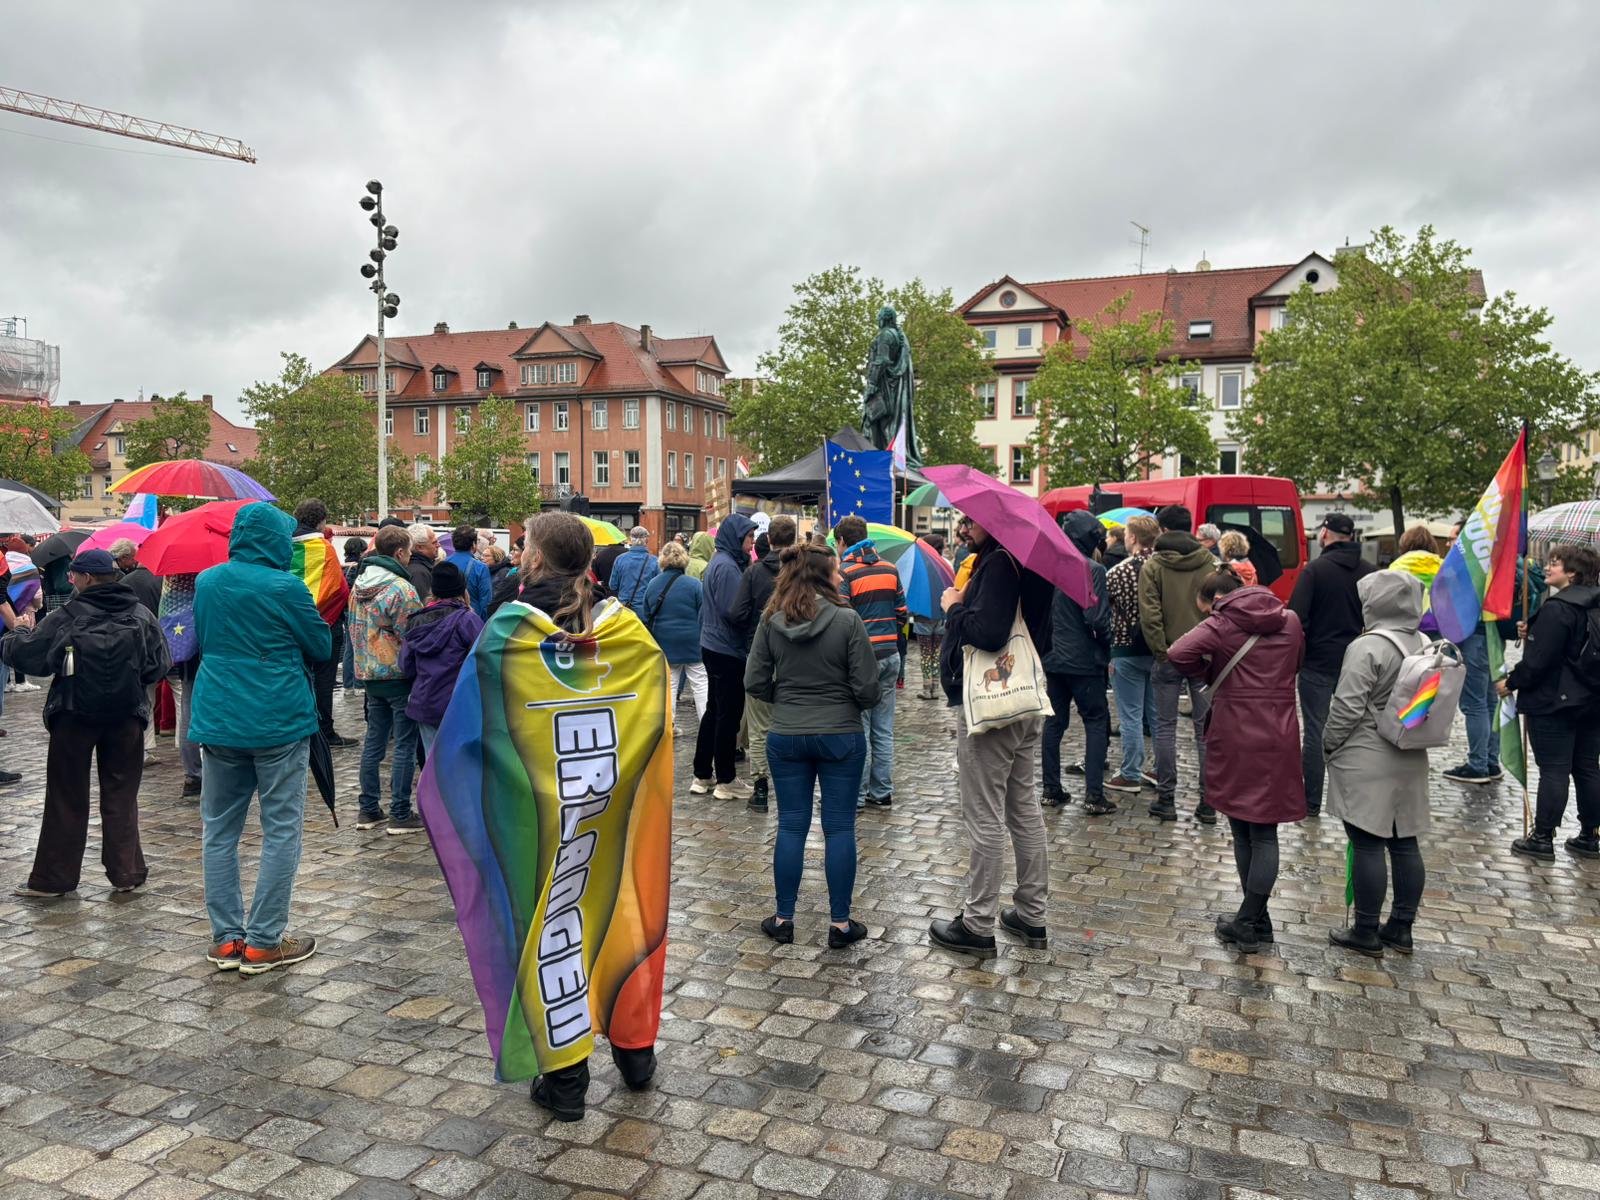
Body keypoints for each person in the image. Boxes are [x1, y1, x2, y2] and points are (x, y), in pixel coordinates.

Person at [186, 505, 330, 972]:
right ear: (274, 541)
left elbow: (206, 638)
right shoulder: (287, 586)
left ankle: (226, 939)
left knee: (219, 829)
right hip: (277, 716)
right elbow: (321, 646)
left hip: (220, 713)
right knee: (281, 828)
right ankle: (265, 940)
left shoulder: (207, 581)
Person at [3, 549, 169, 898]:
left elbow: (31, 656)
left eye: (74, 574)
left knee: (66, 795)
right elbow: (158, 665)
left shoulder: (67, 615)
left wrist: (13, 635)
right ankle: (127, 873)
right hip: (126, 716)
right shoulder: (140, 614)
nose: (70, 579)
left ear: (88, 578)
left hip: (73, 715)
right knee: (122, 794)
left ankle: (54, 879)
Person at [929, 518, 1055, 956]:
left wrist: (955, 606)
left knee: (984, 814)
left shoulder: (999, 564)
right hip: (1022, 703)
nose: (964, 527)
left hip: (992, 708)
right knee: (1023, 808)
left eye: (970, 521)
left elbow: (989, 632)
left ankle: (978, 922)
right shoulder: (1030, 566)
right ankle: (1031, 915)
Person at [745, 543, 880, 948]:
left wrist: (786, 698)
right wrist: (845, 701)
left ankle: (784, 919)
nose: (841, 577)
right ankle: (840, 924)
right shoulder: (847, 620)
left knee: (791, 825)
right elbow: (868, 688)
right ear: (823, 576)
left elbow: (753, 680)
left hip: (786, 733)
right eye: (836, 571)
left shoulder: (771, 620)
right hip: (841, 733)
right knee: (839, 827)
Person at [1169, 569, 1306, 953]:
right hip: (1278, 730)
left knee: (1244, 828)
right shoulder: (1290, 620)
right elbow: (1297, 663)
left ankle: (1248, 920)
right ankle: (1256, 917)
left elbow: (1179, 653)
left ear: (1219, 599)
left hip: (1235, 730)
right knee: (1264, 829)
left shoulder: (1222, 623)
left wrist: (1210, 672)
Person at [1325, 571, 1430, 957]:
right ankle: (1401, 927)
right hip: (1410, 748)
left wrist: (1328, 744)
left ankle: (1365, 929)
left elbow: (1347, 706)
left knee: (1367, 841)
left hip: (1367, 752)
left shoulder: (1367, 646)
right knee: (1405, 843)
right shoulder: (1425, 642)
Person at [1500, 545, 1600, 860]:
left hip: (1556, 701)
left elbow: (1539, 661)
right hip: (1592, 699)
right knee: (1586, 767)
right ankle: (1590, 836)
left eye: (1554, 563)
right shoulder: (1594, 603)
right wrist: (1533, 629)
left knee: (1554, 769)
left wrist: (1511, 683)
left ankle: (1542, 837)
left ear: (1572, 572)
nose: (1547, 567)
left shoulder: (1558, 608)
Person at [1290, 513, 1377, 815]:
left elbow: (1296, 619)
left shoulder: (1315, 571)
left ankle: (1311, 801)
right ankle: (1356, 801)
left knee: (1315, 731)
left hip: (1318, 662)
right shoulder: (1370, 572)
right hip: (1359, 662)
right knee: (1357, 730)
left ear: (1325, 533)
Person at [1138, 505, 1219, 824]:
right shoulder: (1210, 563)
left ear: (1163, 529)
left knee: (1165, 727)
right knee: (1204, 731)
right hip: (1204, 657)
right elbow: (1220, 610)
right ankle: (1208, 802)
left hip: (1169, 655)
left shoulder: (1154, 565)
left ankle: (1167, 798)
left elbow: (1151, 614)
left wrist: (1163, 652)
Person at [349, 525, 424, 833]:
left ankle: (368, 808)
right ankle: (400, 811)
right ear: (399, 553)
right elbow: (414, 633)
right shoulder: (400, 589)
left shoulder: (359, 584)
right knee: (404, 744)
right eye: (409, 552)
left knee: (374, 742)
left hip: (369, 672)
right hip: (397, 673)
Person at [1040, 511, 1113, 814]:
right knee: (1096, 723)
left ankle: (1051, 790)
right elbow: (1096, 618)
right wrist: (1107, 641)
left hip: (1053, 657)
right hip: (1084, 660)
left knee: (1054, 723)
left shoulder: (1048, 567)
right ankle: (1094, 796)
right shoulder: (1092, 569)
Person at [834, 515, 908, 810]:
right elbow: (902, 611)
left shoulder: (845, 573)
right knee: (884, 728)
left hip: (861, 661)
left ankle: (859, 793)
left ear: (842, 541)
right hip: (890, 656)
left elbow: (841, 619)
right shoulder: (890, 569)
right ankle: (882, 792)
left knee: (860, 728)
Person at [730, 515, 797, 813]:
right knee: (792, 723)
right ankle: (791, 784)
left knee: (758, 728)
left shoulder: (754, 572)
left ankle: (760, 789)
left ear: (769, 540)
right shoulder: (801, 572)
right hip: (797, 656)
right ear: (793, 540)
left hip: (758, 654)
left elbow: (737, 611)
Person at [692, 514, 756, 800]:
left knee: (715, 711)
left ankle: (702, 774)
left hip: (712, 643)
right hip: (726, 647)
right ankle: (726, 779)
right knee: (727, 715)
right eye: (749, 537)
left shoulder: (720, 562)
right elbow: (734, 611)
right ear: (736, 537)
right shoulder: (728, 567)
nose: (751, 542)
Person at [399, 561, 483, 754]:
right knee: (460, 766)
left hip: (425, 702)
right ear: (462, 589)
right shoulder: (468, 620)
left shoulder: (416, 620)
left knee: (432, 765)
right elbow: (484, 661)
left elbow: (406, 665)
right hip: (458, 705)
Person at [1105, 514, 1161, 794]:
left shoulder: (1119, 571)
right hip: (1159, 649)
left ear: (1134, 538)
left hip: (1126, 647)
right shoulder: (1164, 567)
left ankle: (1130, 772)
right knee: (1158, 715)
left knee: (1130, 716)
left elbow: (1106, 609)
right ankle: (1161, 768)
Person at [293, 500, 354, 748]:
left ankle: (300, 726)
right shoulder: (323, 548)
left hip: (292, 623)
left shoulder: (283, 545)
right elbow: (338, 589)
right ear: (321, 520)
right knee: (323, 681)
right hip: (323, 625)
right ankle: (324, 730)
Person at [111, 537, 164, 765]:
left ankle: (145, 745)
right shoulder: (163, 580)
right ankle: (184, 746)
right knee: (181, 693)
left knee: (144, 696)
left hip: (134, 645)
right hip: (162, 642)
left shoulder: (125, 581)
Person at [641, 539, 706, 724]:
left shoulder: (653, 584)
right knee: (701, 685)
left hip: (664, 642)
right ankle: (706, 726)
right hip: (693, 642)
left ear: (662, 560)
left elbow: (647, 614)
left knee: (669, 685)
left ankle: (669, 726)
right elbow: (703, 614)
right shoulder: (694, 585)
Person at [913, 533, 947, 700]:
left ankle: (927, 689)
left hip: (923, 617)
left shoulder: (921, 566)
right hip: (940, 616)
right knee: (935, 654)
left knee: (925, 654)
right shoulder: (945, 565)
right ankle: (936, 687)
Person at [443, 524, 493, 619]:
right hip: (471, 619)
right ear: (474, 544)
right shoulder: (480, 567)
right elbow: (486, 601)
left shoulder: (442, 564)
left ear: (453, 543)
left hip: (446, 618)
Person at [608, 526, 660, 612]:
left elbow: (613, 586)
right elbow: (658, 588)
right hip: (645, 610)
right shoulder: (655, 561)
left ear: (631, 540)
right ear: (647, 540)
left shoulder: (620, 559)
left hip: (624, 609)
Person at [341, 537, 367, 689]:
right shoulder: (356, 567)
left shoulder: (341, 566)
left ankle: (347, 682)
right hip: (354, 609)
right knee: (355, 646)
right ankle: (356, 683)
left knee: (348, 648)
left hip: (344, 609)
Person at [406, 522, 439, 603]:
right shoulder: (419, 573)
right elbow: (422, 606)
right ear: (420, 547)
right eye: (434, 542)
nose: (439, 545)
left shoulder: (417, 567)